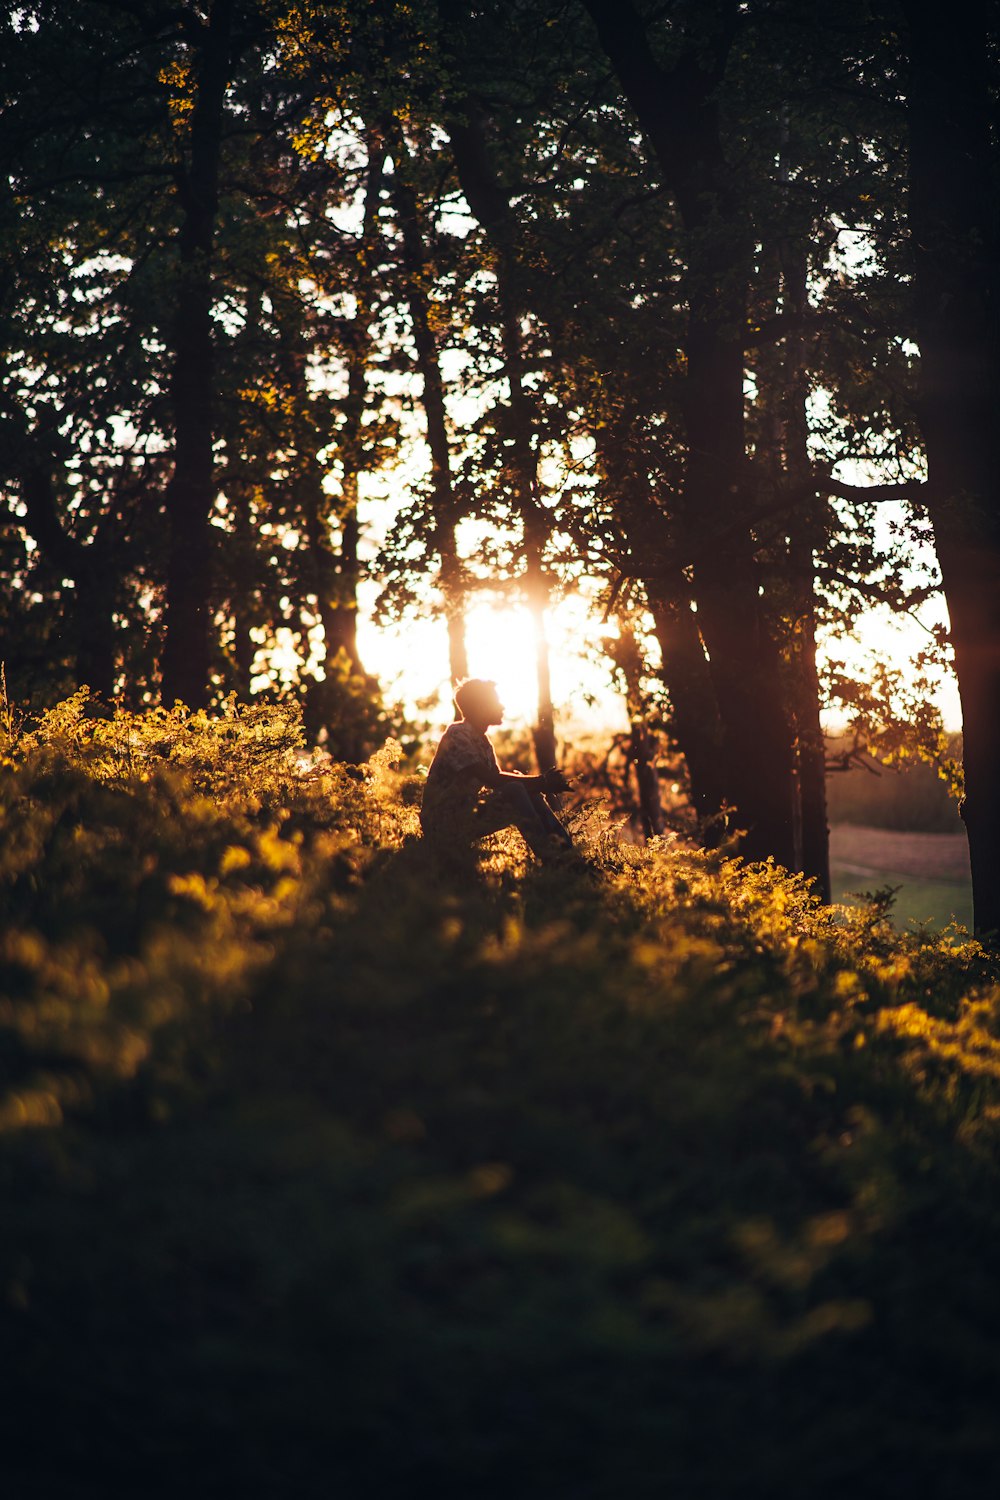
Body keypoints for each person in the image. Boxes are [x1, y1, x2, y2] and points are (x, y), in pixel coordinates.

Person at [420, 678, 574, 864]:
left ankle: (569, 856)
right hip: (442, 823)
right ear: (479, 707)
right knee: (517, 789)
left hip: (463, 814)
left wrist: (538, 784)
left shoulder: (482, 741)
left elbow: (499, 780)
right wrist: (542, 782)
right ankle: (552, 859)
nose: (501, 707)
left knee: (522, 788)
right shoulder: (457, 733)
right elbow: (492, 779)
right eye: (495, 702)